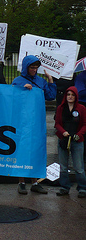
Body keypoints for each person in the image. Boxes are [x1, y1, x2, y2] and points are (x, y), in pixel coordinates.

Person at [12, 55, 57, 194]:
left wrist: (50, 81)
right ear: (26, 67)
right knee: (21, 150)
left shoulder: (41, 81)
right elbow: (12, 98)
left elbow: (50, 96)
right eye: (32, 67)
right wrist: (22, 90)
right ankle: (21, 182)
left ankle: (35, 182)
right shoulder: (17, 81)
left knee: (36, 150)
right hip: (22, 121)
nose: (34, 69)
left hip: (36, 121)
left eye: (36, 67)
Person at [54, 86, 86, 198]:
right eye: (68, 94)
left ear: (76, 96)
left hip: (77, 141)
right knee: (63, 166)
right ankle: (64, 187)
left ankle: (82, 188)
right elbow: (57, 123)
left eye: (72, 95)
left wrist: (79, 134)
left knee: (79, 167)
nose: (70, 97)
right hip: (64, 140)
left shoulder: (81, 108)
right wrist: (63, 132)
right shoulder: (60, 108)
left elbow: (84, 124)